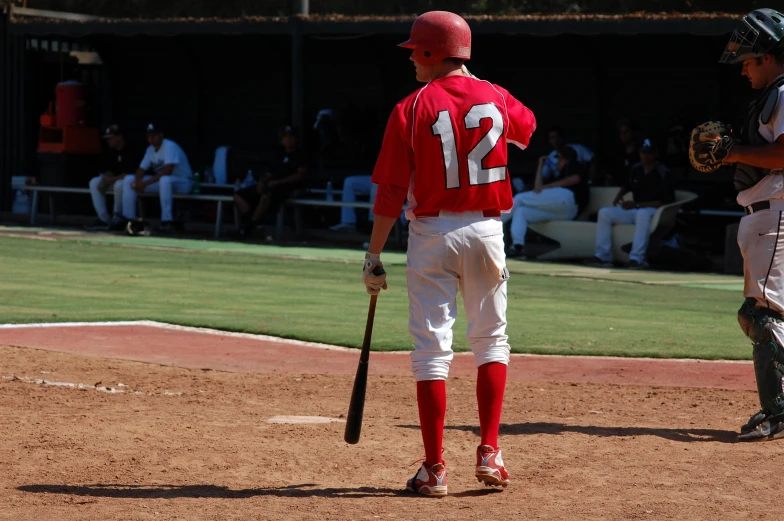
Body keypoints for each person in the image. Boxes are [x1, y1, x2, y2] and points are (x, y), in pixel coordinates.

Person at [360, 11, 536, 496]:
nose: (413, 57)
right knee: (491, 341)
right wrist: (480, 88)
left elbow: (391, 190)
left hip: (432, 234)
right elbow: (527, 127)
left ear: (436, 52)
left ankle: (435, 468)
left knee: (431, 353)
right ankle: (491, 453)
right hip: (486, 230)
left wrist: (373, 256)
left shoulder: (411, 106)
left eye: (418, 50)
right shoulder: (495, 95)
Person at [715, 8, 784, 441]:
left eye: (747, 61)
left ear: (767, 56)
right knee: (763, 314)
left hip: (775, 214)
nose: (743, 70)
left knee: (764, 316)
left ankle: (778, 413)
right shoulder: (774, 95)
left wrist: (734, 152)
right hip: (765, 216)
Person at [588, 138, 674, 269]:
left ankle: (637, 259)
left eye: (649, 153)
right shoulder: (636, 168)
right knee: (605, 213)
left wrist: (636, 205)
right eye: (643, 152)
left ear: (655, 155)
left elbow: (663, 202)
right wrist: (620, 194)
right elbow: (628, 185)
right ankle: (603, 256)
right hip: (636, 209)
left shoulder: (663, 172)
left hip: (654, 212)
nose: (645, 156)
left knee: (642, 213)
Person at [503, 146, 588, 257]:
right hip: (565, 212)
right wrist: (540, 165)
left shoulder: (574, 164)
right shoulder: (558, 174)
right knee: (521, 211)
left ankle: (492, 226)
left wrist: (548, 186)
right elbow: (538, 188)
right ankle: (518, 246)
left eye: (559, 158)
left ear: (563, 159)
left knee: (519, 198)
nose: (557, 162)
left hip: (570, 199)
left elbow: (575, 179)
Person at [233, 125, 308, 238]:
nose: (288, 140)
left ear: (296, 138)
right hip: (270, 185)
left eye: (291, 137)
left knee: (266, 197)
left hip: (287, 188)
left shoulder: (301, 154)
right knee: (238, 195)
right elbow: (268, 173)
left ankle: (247, 229)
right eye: (285, 137)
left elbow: (301, 175)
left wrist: (278, 182)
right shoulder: (278, 154)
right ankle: (253, 225)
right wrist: (261, 182)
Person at [120, 123, 193, 232]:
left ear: (161, 135)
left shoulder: (169, 146)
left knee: (165, 180)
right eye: (149, 135)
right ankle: (129, 220)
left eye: (154, 135)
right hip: (164, 183)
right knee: (129, 179)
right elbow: (141, 169)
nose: (151, 138)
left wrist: (144, 184)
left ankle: (166, 221)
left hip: (183, 182)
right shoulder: (150, 149)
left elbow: (168, 170)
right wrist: (137, 182)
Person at [85, 124, 141, 231]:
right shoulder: (111, 151)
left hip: (129, 184)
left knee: (120, 184)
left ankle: (118, 218)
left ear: (119, 137)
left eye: (111, 138)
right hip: (115, 182)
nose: (108, 141)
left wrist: (110, 179)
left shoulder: (130, 149)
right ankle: (103, 218)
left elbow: (130, 174)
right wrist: (104, 181)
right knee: (94, 182)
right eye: (107, 139)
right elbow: (111, 170)